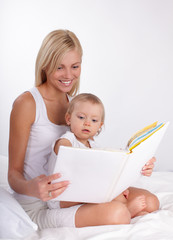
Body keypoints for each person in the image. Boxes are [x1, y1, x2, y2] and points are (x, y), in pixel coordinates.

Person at [8, 29, 159, 230]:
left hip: (78, 192)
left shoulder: (76, 106)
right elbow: (13, 175)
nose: (68, 75)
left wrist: (137, 165)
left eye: (75, 66)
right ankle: (118, 210)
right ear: (45, 65)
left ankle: (110, 205)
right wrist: (32, 188)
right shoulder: (27, 103)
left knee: (151, 202)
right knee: (118, 212)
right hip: (40, 206)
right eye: (59, 67)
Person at [47, 93, 152, 227]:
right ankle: (128, 211)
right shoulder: (67, 140)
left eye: (94, 121)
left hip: (85, 191)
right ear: (68, 119)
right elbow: (64, 149)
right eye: (81, 117)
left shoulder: (95, 146)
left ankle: (124, 206)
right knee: (112, 194)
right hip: (63, 197)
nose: (87, 123)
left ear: (100, 126)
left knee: (139, 197)